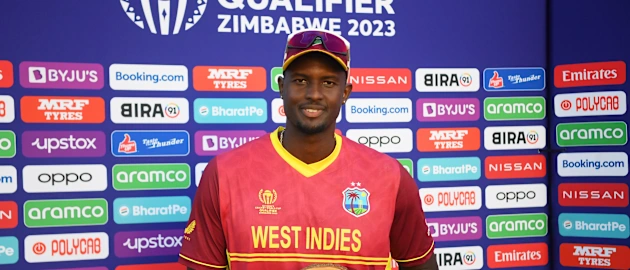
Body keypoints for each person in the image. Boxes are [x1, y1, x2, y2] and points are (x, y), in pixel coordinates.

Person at [178, 28, 438, 270]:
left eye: (328, 83)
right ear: (282, 87)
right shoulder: (224, 173)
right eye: (301, 80)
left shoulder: (390, 177)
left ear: (346, 92)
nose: (314, 93)